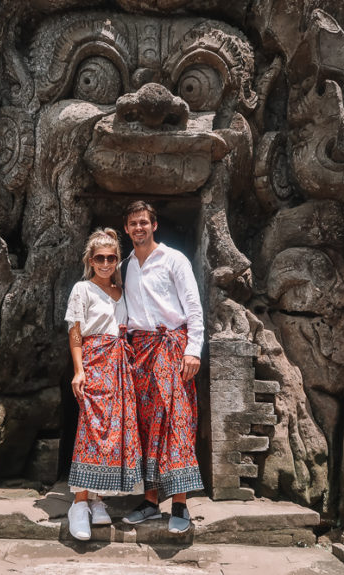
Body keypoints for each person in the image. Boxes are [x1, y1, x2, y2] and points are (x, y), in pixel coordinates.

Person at [119, 201, 204, 534]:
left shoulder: (174, 260)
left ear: (154, 226)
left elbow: (194, 309)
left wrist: (193, 351)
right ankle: (151, 502)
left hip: (173, 348)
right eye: (133, 223)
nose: (138, 228)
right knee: (144, 426)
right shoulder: (125, 267)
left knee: (177, 421)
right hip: (139, 353)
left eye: (144, 222)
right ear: (126, 229)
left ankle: (180, 503)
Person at [64, 228, 144, 540]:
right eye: (100, 257)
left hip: (120, 366)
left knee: (114, 433)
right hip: (94, 363)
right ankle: (79, 503)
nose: (106, 262)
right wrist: (79, 370)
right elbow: (75, 330)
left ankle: (99, 500)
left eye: (112, 257)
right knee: (91, 431)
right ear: (91, 260)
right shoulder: (82, 289)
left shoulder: (120, 293)